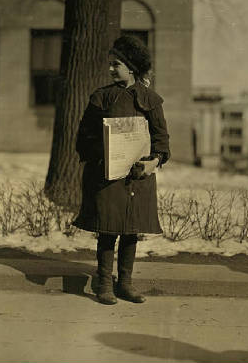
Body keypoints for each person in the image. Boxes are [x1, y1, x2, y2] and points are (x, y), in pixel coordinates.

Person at [74, 35, 170, 305]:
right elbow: (83, 139)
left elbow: (162, 140)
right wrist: (104, 154)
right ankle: (104, 283)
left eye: (116, 64)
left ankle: (125, 283)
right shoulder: (101, 98)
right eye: (110, 64)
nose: (111, 69)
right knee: (108, 229)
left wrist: (152, 163)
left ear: (131, 67)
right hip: (107, 175)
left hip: (138, 177)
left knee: (131, 229)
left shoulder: (151, 100)